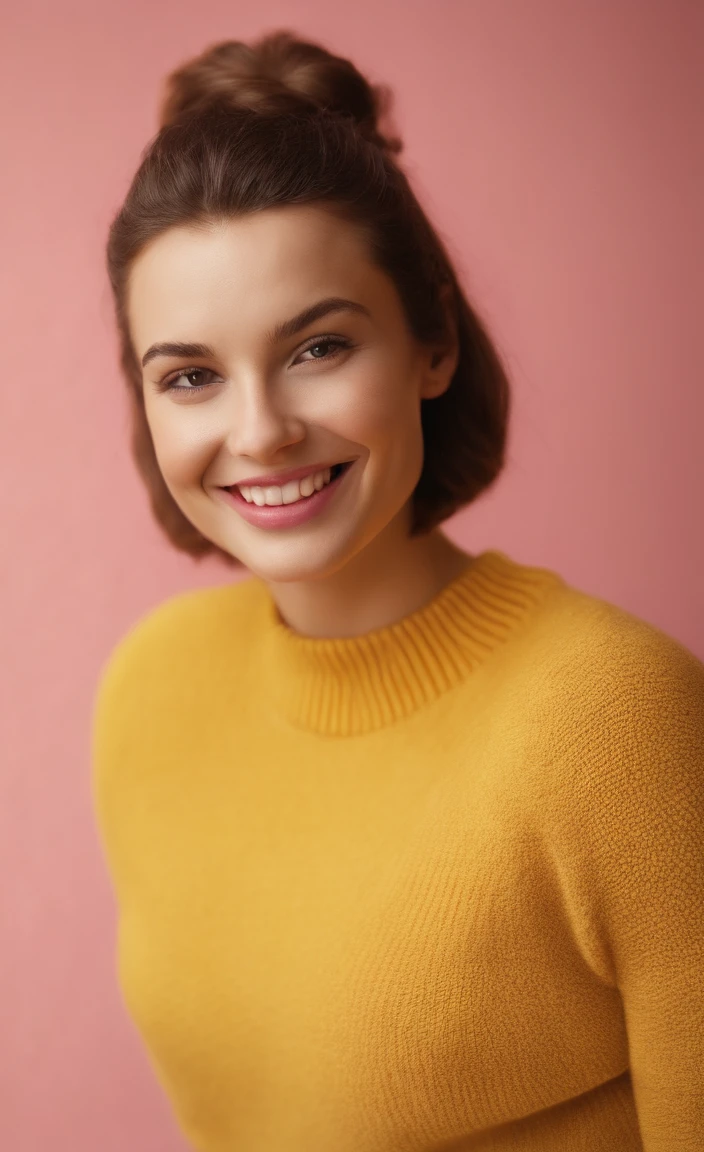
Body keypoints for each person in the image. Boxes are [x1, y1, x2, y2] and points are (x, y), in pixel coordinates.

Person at [90, 29, 704, 1152]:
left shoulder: (621, 721)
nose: (260, 431)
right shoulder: (150, 692)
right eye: (190, 375)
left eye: (317, 348)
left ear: (430, 341)